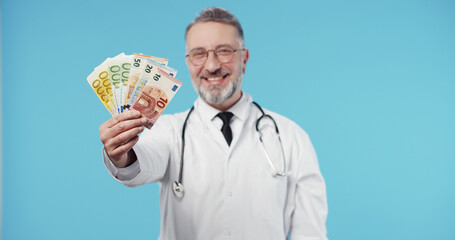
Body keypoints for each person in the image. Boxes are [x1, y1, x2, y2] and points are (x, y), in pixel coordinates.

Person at [99, 7, 328, 240]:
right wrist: (122, 155)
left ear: (244, 58)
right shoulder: (169, 131)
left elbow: (310, 232)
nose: (211, 66)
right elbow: (140, 163)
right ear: (188, 62)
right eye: (199, 53)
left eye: (224, 51)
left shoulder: (292, 137)